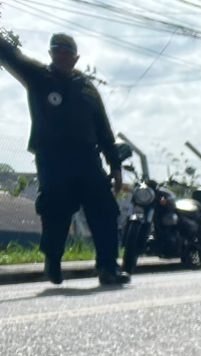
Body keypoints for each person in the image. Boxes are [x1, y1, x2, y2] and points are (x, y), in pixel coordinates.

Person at [0, 31, 127, 286]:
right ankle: (53, 261)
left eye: (67, 52)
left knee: (104, 209)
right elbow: (10, 55)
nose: (62, 55)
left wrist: (115, 165)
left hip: (87, 159)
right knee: (55, 210)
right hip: (52, 159)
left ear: (76, 57)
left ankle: (108, 267)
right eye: (57, 50)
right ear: (50, 53)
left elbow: (104, 130)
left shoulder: (88, 90)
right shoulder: (38, 76)